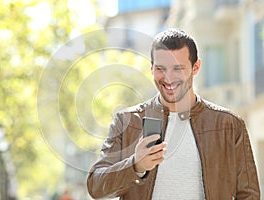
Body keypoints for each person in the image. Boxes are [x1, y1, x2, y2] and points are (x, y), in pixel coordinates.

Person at [87, 28, 260, 199]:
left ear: (196, 67)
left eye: (178, 68)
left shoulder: (228, 125)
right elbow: (95, 186)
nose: (168, 78)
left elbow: (249, 195)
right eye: (161, 69)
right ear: (151, 68)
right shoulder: (127, 121)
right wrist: (135, 165)